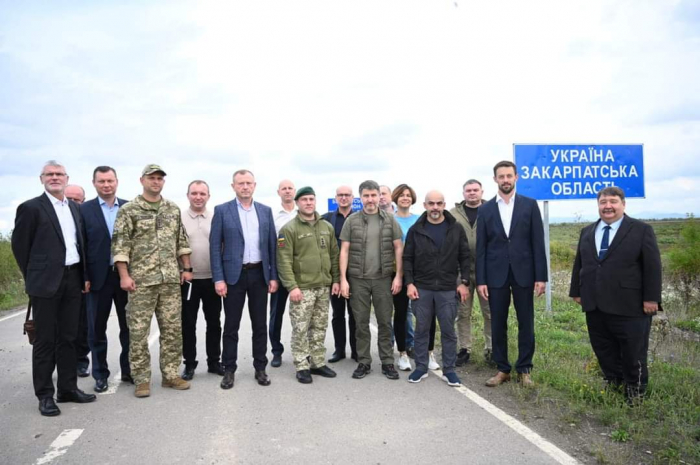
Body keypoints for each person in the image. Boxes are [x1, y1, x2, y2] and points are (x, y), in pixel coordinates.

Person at [12, 160, 96, 417]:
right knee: (46, 341)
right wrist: (34, 277)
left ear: (67, 178)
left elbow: (79, 245)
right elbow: (20, 247)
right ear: (42, 179)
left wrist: (83, 276)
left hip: (73, 279)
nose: (55, 177)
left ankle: (68, 388)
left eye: (59, 174)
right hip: (45, 284)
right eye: (50, 174)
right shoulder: (31, 208)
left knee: (69, 338)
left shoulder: (73, 208)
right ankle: (45, 395)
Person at [569, 186, 662, 404]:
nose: (608, 206)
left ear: (623, 204)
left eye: (613, 201)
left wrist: (652, 298)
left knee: (633, 350)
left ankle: (635, 391)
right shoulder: (588, 231)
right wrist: (576, 291)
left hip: (630, 305)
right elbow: (579, 263)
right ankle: (614, 382)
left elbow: (653, 267)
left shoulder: (641, 230)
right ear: (598, 205)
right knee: (603, 348)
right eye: (603, 202)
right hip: (595, 304)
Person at [112, 164, 193, 398]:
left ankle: (170, 375)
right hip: (141, 282)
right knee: (138, 332)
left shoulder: (172, 209)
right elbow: (120, 245)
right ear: (142, 180)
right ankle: (141, 379)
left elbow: (181, 241)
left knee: (172, 330)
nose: (156, 182)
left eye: (159, 178)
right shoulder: (129, 210)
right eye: (151, 178)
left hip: (169, 281)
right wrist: (124, 276)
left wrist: (186, 268)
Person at [476, 160, 547, 387]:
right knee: (498, 322)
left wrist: (541, 276)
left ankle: (524, 369)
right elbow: (481, 247)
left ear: (516, 177)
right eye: (501, 176)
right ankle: (502, 368)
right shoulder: (485, 209)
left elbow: (538, 243)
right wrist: (482, 280)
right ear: (495, 179)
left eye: (509, 176)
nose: (505, 180)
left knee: (526, 322)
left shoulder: (529, 205)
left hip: (524, 274)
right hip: (495, 275)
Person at [210, 169, 278, 390]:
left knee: (260, 324)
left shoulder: (265, 211)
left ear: (255, 185)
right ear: (233, 186)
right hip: (233, 276)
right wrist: (218, 279)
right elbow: (214, 247)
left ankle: (260, 367)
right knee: (231, 326)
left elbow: (272, 246)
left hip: (259, 274)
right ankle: (229, 370)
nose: (245, 187)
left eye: (249, 183)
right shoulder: (222, 211)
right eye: (241, 183)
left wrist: (273, 276)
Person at [404, 190, 471, 387]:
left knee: (449, 331)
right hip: (422, 288)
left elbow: (465, 256)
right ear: (425, 205)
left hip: (448, 289)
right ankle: (421, 368)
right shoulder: (416, 230)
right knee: (422, 330)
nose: (435, 207)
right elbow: (407, 258)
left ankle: (449, 370)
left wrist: (464, 282)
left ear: (444, 205)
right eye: (431, 203)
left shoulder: (455, 228)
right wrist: (410, 283)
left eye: (439, 203)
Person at [339, 180, 403, 380]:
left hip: (383, 279)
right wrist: (343, 279)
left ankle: (387, 362)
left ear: (379, 196)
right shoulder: (352, 221)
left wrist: (398, 276)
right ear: (361, 198)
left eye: (374, 195)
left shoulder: (390, 220)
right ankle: (364, 362)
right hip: (358, 279)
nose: (370, 199)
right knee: (361, 323)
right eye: (366, 196)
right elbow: (345, 250)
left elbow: (398, 248)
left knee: (385, 321)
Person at [277, 187, 340, 384]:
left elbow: (334, 256)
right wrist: (292, 286)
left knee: (319, 326)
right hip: (302, 288)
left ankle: (317, 362)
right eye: (304, 199)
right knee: (301, 328)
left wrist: (336, 280)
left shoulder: (326, 227)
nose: (308, 203)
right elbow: (284, 260)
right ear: (297, 203)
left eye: (311, 199)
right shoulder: (289, 229)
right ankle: (302, 365)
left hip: (323, 286)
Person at [81, 167, 131, 393]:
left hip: (126, 277)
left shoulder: (130, 207)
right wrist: (84, 277)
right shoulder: (84, 210)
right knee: (96, 329)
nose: (106, 185)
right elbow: (80, 246)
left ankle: (129, 369)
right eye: (101, 181)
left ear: (117, 182)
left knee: (129, 327)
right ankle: (100, 374)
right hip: (97, 278)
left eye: (110, 180)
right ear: (94, 183)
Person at [179, 180, 223, 381]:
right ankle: (189, 364)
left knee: (214, 323)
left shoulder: (216, 217)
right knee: (188, 324)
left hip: (212, 279)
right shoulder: (178, 218)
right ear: (188, 195)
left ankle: (214, 361)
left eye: (202, 193)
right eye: (194, 193)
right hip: (188, 280)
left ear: (208, 196)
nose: (198, 197)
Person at [450, 179, 492, 366]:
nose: (472, 193)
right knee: (463, 312)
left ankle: (491, 349)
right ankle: (464, 348)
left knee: (490, 312)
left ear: (482, 191)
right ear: (463, 193)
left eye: (475, 190)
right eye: (468, 190)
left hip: (487, 270)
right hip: (461, 271)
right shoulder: (453, 215)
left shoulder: (493, 210)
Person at [322, 185, 358, 363]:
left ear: (353, 198)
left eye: (347, 195)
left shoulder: (360, 218)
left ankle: (356, 350)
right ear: (335, 198)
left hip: (356, 274)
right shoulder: (326, 219)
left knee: (355, 314)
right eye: (340, 195)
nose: (344, 198)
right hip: (334, 276)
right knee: (337, 314)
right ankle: (339, 350)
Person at [269, 179, 297, 368]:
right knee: (276, 315)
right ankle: (276, 352)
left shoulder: (303, 213)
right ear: (278, 192)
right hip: (280, 272)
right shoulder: (272, 216)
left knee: (302, 315)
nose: (287, 191)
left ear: (294, 192)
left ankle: (302, 351)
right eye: (284, 189)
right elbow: (269, 246)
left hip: (301, 273)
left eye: (290, 188)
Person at [65, 184, 91, 379]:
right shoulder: (58, 217)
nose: (74, 203)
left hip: (82, 278)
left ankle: (81, 361)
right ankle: (62, 362)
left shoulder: (86, 218)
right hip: (57, 279)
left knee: (83, 324)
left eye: (77, 200)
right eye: (70, 199)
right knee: (61, 325)